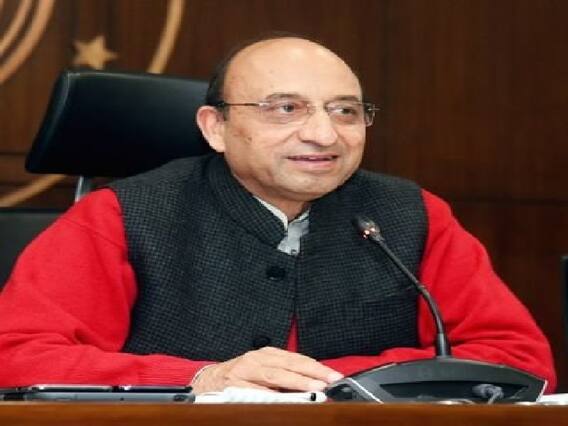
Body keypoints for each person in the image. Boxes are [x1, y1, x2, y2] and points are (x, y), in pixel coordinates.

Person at [0, 35, 556, 393]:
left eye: (345, 111)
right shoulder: (120, 216)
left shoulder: (411, 216)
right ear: (215, 127)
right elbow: (18, 356)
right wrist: (204, 379)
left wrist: (339, 383)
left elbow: (518, 359)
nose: (324, 134)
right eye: (286, 109)